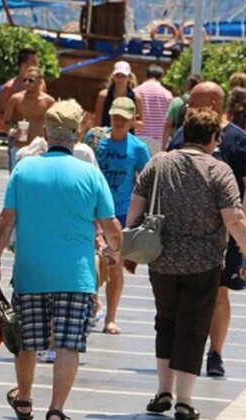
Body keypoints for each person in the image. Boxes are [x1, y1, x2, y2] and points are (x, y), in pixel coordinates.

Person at [0, 99, 122, 420]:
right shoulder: (90, 174)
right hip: (76, 277)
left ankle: (25, 400)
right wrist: (114, 252)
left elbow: (6, 220)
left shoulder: (24, 169)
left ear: (46, 132)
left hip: (31, 273)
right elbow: (111, 227)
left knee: (27, 342)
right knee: (69, 345)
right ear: (76, 135)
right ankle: (57, 409)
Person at [128, 107, 246, 420]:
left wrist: (127, 250)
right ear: (214, 138)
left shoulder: (158, 162)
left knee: (166, 322)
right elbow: (234, 218)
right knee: (193, 327)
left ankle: (163, 392)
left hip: (161, 259)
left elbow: (136, 205)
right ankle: (184, 401)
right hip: (204, 263)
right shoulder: (219, 170)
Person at [167, 81, 246, 378]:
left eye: (193, 103)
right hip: (183, 234)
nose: (187, 108)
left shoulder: (236, 140)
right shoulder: (182, 136)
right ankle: (184, 353)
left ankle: (215, 353)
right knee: (183, 297)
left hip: (224, 234)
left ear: (212, 105)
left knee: (220, 292)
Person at [95, 97, 151, 335]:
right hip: (91, 211)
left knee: (114, 266)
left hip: (119, 214)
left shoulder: (138, 148)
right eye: (114, 116)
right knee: (89, 263)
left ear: (132, 121)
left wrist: (142, 217)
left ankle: (110, 317)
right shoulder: (95, 139)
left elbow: (148, 180)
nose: (117, 121)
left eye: (123, 118)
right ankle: (92, 306)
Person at [2, 66, 56, 168]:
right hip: (20, 147)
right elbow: (5, 122)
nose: (27, 83)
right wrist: (13, 131)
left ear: (40, 82)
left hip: (40, 150)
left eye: (31, 80)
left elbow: (55, 125)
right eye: (25, 80)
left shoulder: (49, 102)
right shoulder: (16, 99)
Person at [0, 47, 47, 124]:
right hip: (17, 132)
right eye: (34, 62)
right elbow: (0, 114)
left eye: (37, 62)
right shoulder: (9, 88)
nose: (38, 65)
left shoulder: (41, 84)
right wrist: (13, 130)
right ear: (23, 64)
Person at [94, 61, 144, 132]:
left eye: (123, 76)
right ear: (113, 77)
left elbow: (141, 126)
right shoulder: (103, 96)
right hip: (106, 137)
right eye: (117, 76)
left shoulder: (136, 98)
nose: (120, 79)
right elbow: (97, 121)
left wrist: (133, 123)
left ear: (129, 77)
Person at [134, 64, 172, 154]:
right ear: (161, 76)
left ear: (147, 75)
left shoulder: (136, 91)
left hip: (139, 136)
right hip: (158, 139)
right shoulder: (167, 94)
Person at [162, 73, 202, 150]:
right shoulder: (202, 102)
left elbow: (168, 125)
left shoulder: (177, 101)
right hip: (198, 145)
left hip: (178, 143)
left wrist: (164, 147)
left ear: (187, 85)